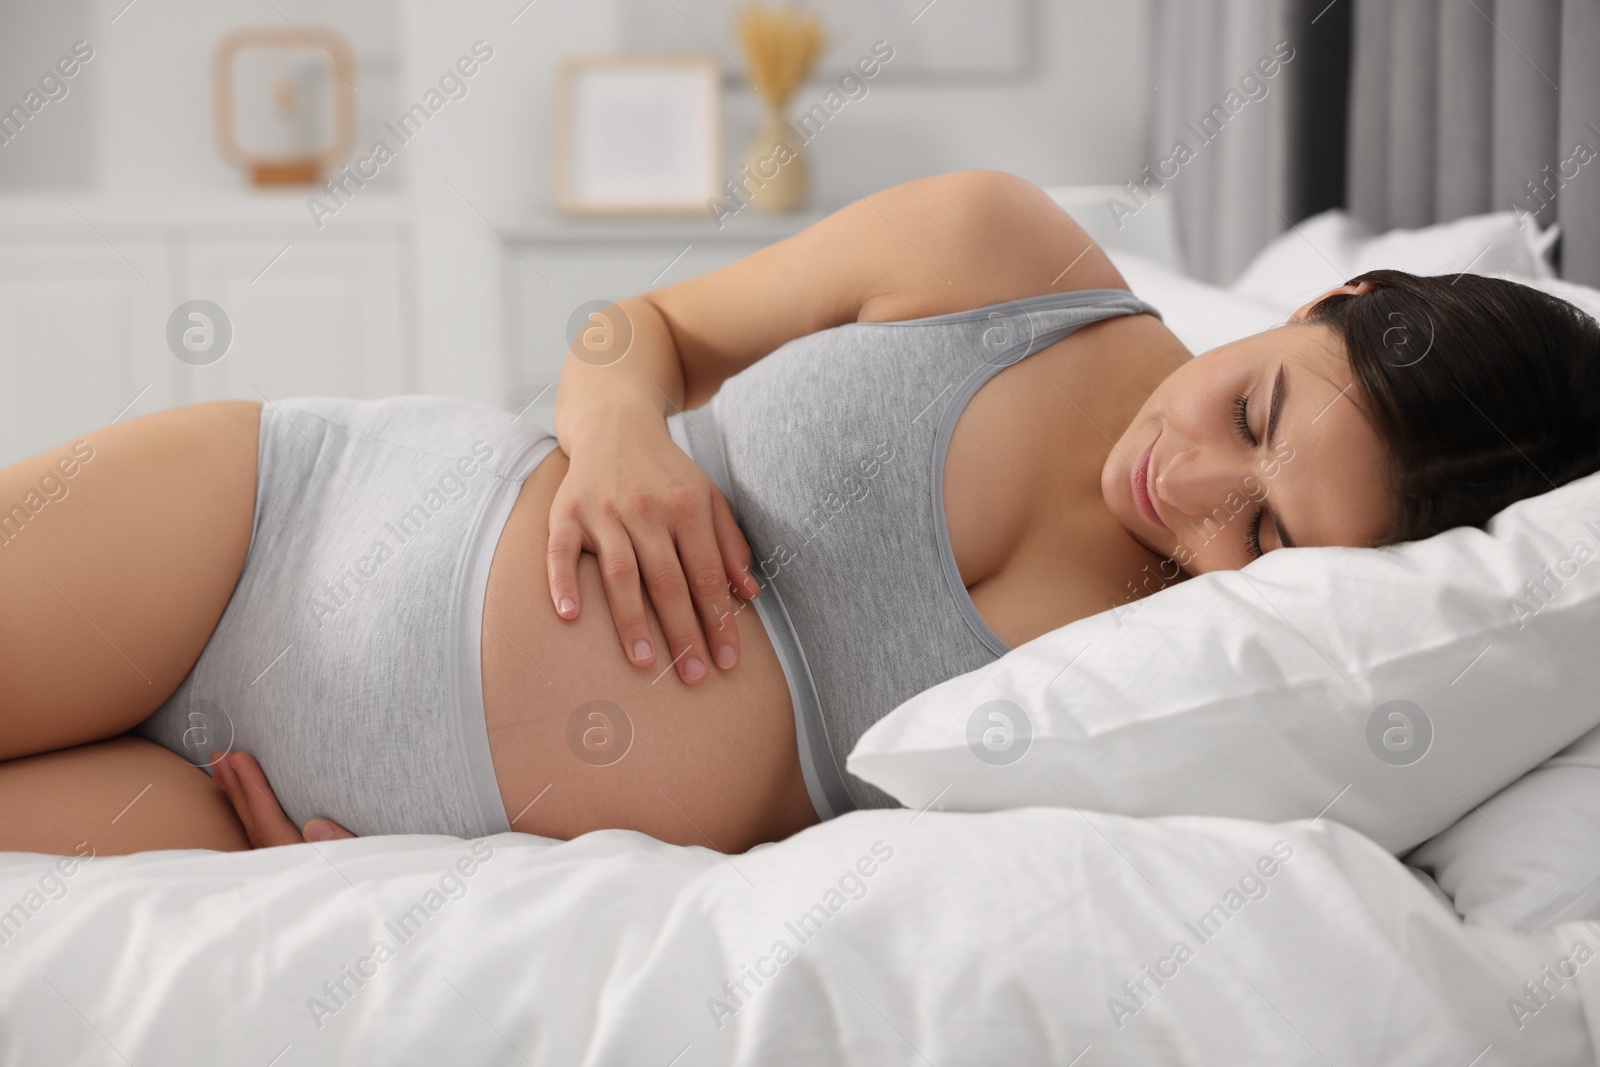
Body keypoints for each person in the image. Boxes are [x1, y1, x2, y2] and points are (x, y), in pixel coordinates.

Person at [3, 171, 1597, 857]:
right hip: (271, 538)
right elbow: (636, 328)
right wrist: (621, 428)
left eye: (1265, 536)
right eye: (1253, 411)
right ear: (1336, 294)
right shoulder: (1002, 256)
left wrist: (336, 896)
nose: (1185, 493)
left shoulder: (1219, 695)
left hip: (250, 824)